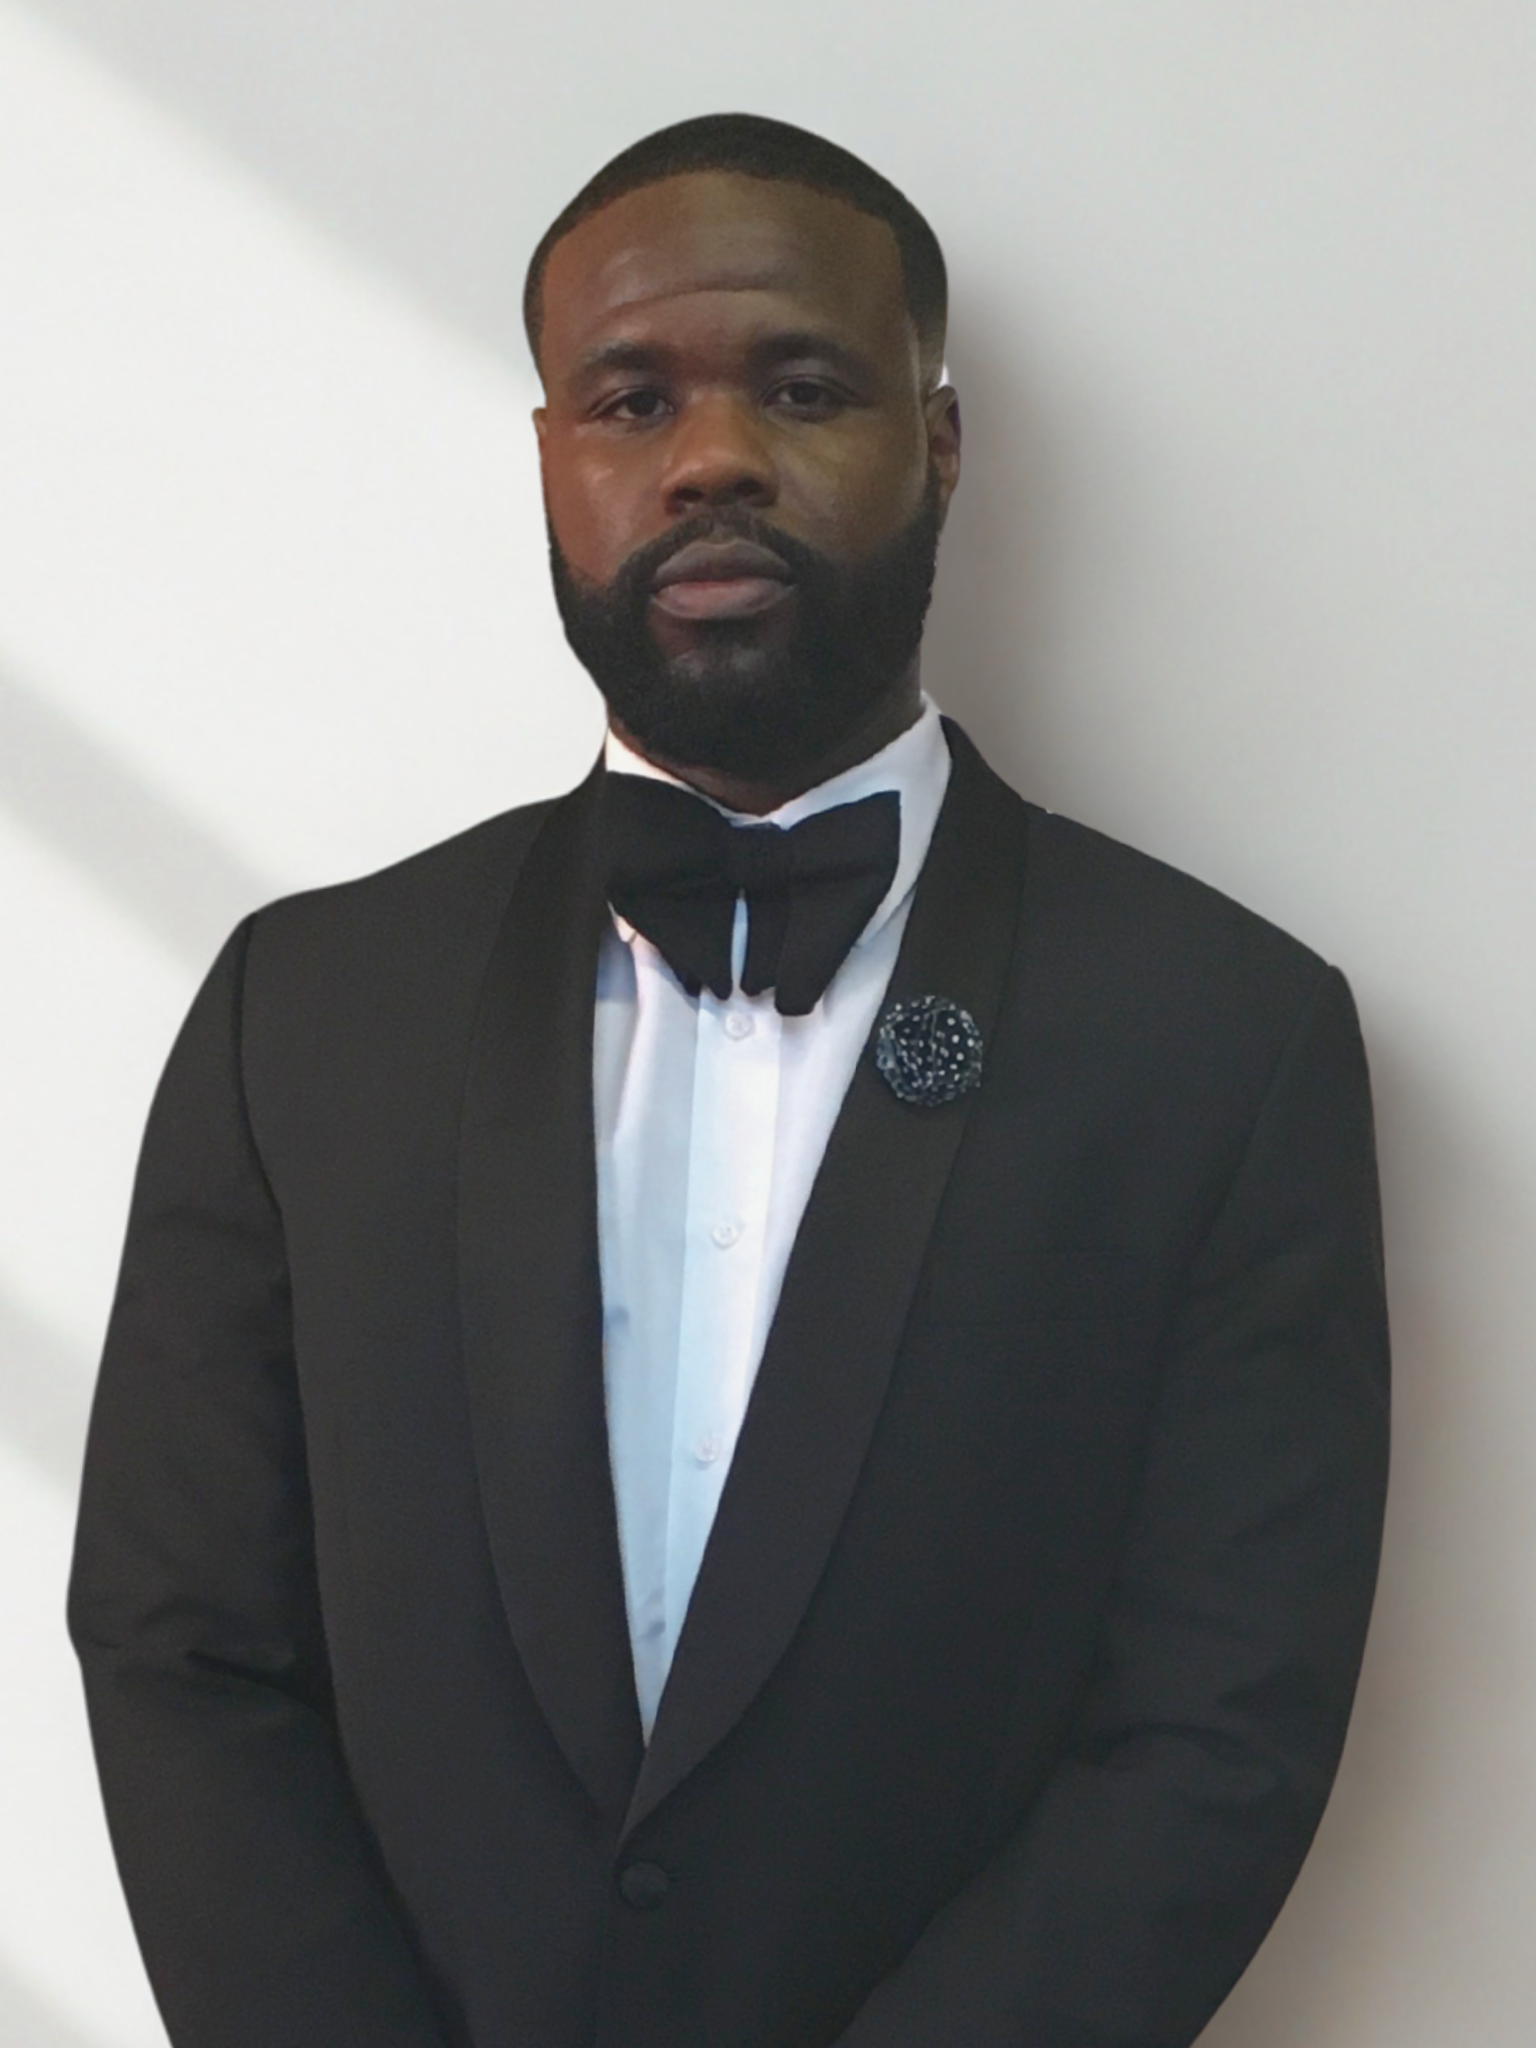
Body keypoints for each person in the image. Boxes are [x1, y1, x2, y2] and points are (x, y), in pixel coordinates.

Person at [68, 112, 1390, 2048]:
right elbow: (182, 1640)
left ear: (937, 442)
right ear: (549, 458)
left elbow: (1223, 1720)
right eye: (630, 400)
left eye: (804, 387)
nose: (710, 458)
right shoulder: (305, 1010)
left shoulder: (1222, 1038)